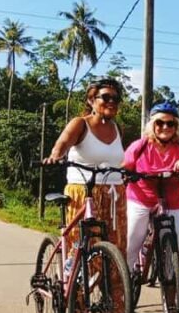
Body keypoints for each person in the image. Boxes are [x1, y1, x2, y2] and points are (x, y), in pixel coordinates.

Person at [44, 77, 127, 256]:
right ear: (91, 100)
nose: (111, 102)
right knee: (81, 246)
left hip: (115, 194)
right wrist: (55, 157)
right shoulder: (80, 124)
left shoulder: (117, 128)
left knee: (117, 245)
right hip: (83, 192)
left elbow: (120, 159)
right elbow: (62, 143)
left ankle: (112, 284)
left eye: (116, 99)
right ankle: (75, 280)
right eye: (106, 97)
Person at [123, 101, 179, 282]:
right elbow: (124, 168)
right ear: (152, 125)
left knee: (171, 248)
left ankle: (170, 293)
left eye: (170, 123)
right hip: (140, 197)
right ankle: (123, 285)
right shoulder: (140, 145)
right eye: (160, 123)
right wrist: (130, 176)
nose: (165, 127)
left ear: (177, 126)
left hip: (171, 199)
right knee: (132, 243)